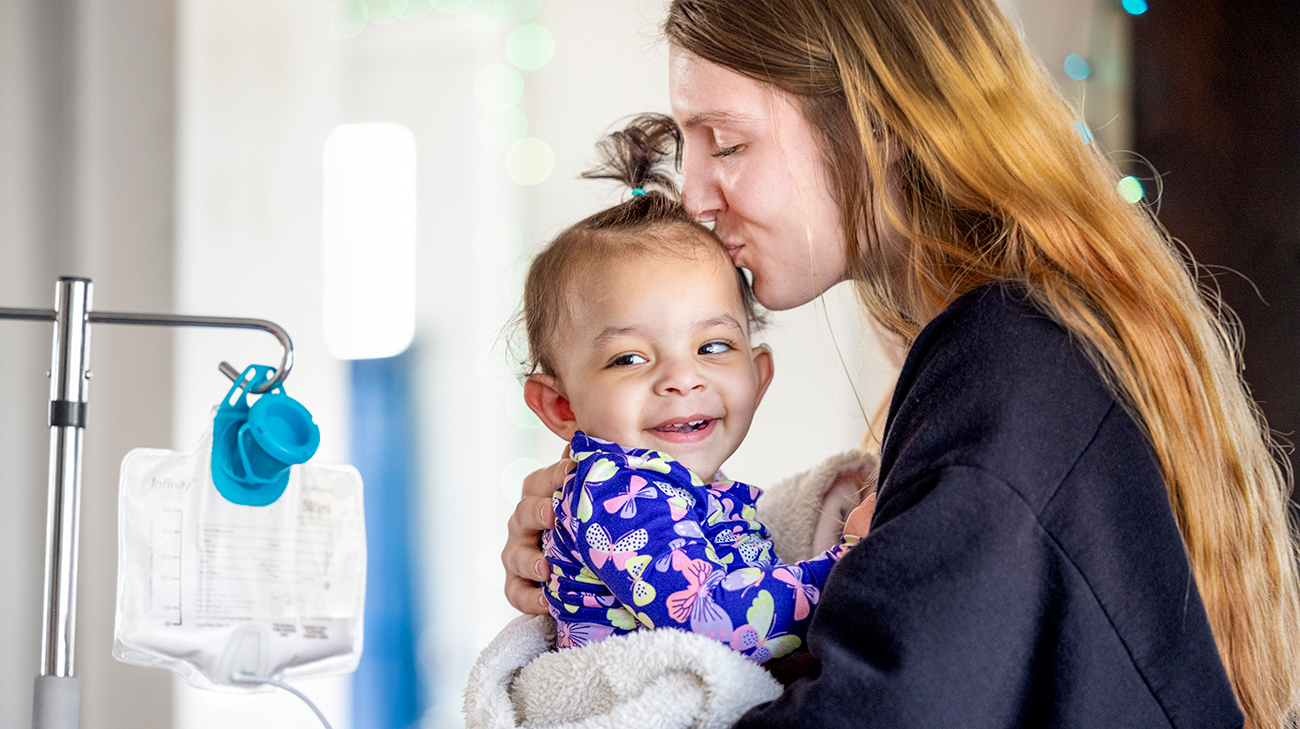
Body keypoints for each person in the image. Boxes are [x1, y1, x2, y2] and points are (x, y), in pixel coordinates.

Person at [501, 0, 1300, 726]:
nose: (697, 195)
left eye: (729, 142)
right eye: (689, 147)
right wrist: (614, 540)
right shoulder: (999, 353)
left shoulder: (1008, 369)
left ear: (875, 116)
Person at [518, 116, 871, 660]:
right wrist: (854, 561)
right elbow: (720, 622)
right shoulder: (614, 493)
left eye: (712, 347)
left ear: (758, 377)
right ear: (560, 405)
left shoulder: (693, 488)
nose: (683, 378)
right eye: (629, 358)